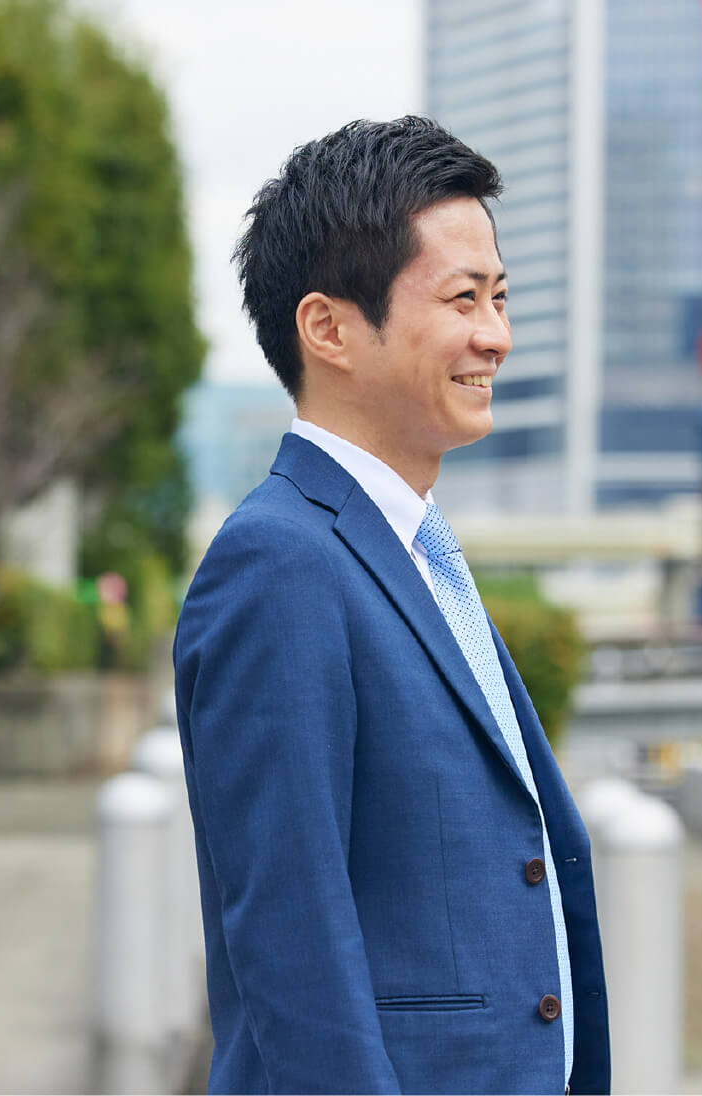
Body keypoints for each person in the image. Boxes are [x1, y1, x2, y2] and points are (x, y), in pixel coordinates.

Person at [172, 117, 608, 1094]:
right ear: (328, 329)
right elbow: (291, 936)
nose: (494, 335)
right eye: (462, 298)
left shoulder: (413, 550)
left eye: (499, 297)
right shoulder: (278, 564)